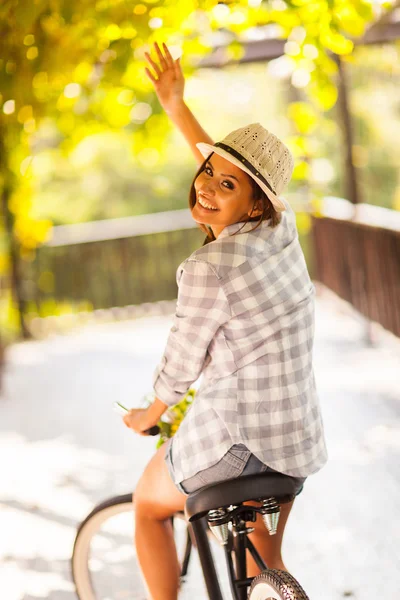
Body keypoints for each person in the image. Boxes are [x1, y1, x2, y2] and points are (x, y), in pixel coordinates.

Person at [122, 41, 328, 600]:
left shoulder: (209, 266)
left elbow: (181, 363)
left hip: (235, 443)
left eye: (226, 184)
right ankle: (273, 584)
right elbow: (228, 173)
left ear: (255, 203)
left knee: (146, 505)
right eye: (207, 171)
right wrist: (175, 105)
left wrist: (150, 414)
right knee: (266, 568)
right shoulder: (279, 229)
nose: (207, 185)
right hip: (295, 441)